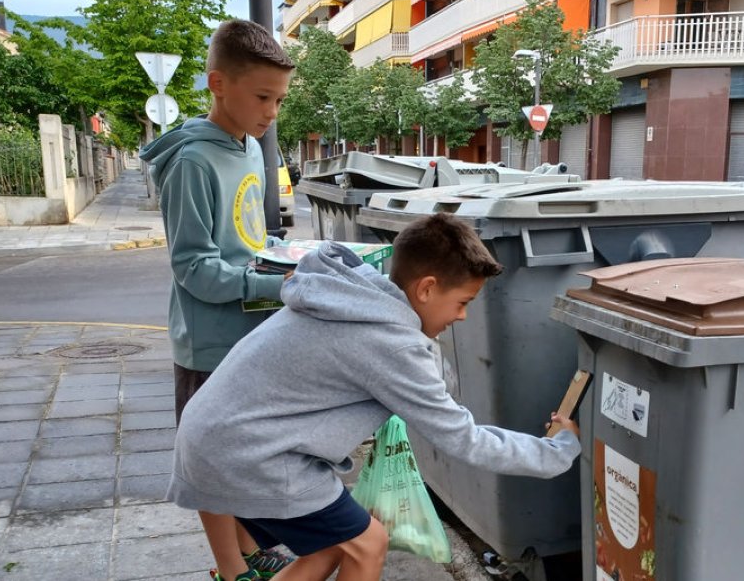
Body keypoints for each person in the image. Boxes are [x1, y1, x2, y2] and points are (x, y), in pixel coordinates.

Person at [167, 213, 582, 581]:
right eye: (462, 302)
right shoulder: (389, 342)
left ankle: (237, 572)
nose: (463, 316)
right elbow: (462, 437)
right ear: (426, 289)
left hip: (215, 436)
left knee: (339, 539)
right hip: (250, 455)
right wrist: (559, 449)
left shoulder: (355, 295)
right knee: (367, 543)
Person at [140, 19, 296, 581]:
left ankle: (251, 545)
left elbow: (247, 239)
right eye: (261, 97)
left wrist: (286, 254)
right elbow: (194, 269)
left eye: (278, 99)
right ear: (216, 84)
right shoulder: (192, 163)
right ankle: (231, 569)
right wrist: (273, 285)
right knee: (212, 459)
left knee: (241, 453)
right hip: (208, 344)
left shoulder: (249, 147)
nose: (271, 112)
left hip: (251, 332)